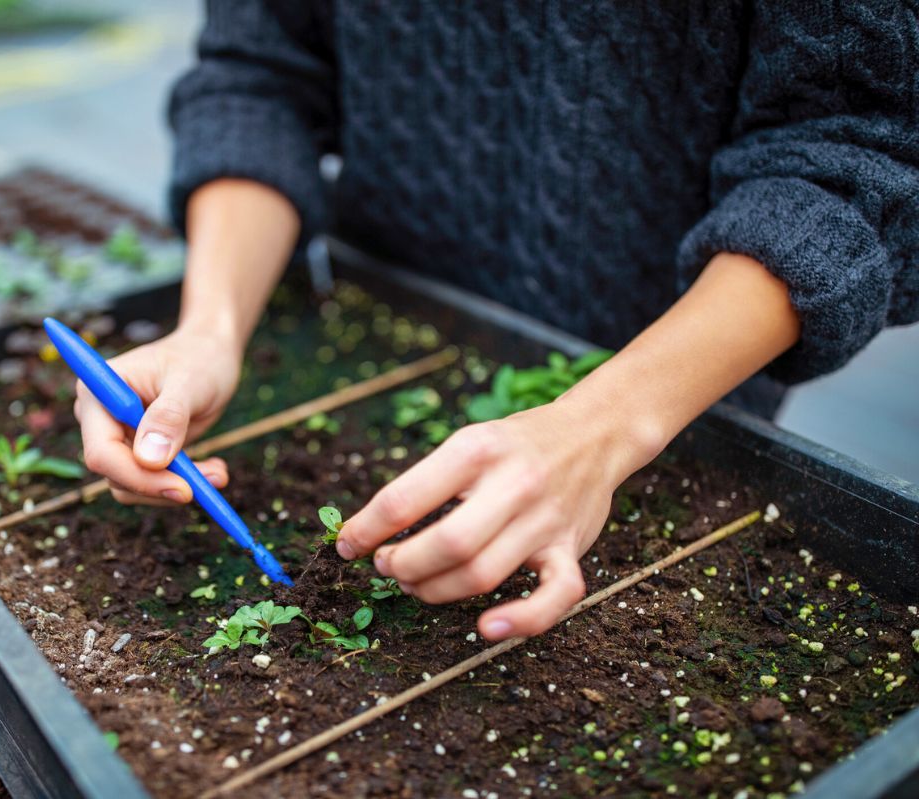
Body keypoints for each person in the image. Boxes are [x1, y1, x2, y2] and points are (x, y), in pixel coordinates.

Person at [75, 3, 918, 642]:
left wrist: (600, 426)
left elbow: (858, 160)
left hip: (678, 392)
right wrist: (211, 328)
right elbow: (259, 77)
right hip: (379, 315)